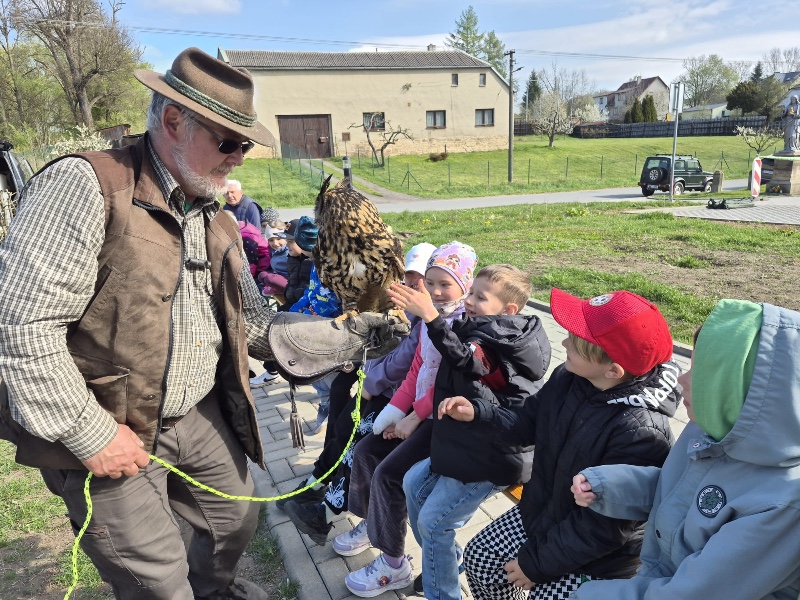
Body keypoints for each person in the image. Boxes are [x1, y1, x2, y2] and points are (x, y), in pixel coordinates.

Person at [0, 47, 401, 600]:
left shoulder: (214, 217)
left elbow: (254, 323)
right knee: (156, 579)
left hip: (196, 412)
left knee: (233, 523)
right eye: (229, 143)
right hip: (109, 418)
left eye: (246, 145)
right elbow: (22, 328)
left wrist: (348, 336)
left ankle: (214, 592)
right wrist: (91, 435)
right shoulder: (86, 186)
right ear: (172, 121)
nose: (239, 159)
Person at [439, 289, 680, 600]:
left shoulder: (641, 432)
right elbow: (528, 421)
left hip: (597, 557)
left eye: (576, 343)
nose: (564, 344)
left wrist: (535, 565)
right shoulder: (570, 376)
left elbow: (603, 529)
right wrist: (479, 413)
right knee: (481, 558)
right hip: (546, 509)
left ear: (613, 370)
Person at [570, 299, 800, 600]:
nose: (681, 379)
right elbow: (680, 492)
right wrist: (609, 486)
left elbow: (695, 593)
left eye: (700, 371)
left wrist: (587, 595)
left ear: (745, 393)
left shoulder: (783, 505)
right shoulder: (710, 430)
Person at [397, 264, 552, 600]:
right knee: (412, 484)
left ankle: (443, 592)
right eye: (470, 292)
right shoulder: (484, 327)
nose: (469, 301)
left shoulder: (500, 340)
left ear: (508, 310)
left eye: (480, 297)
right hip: (465, 444)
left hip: (493, 454)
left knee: (434, 523)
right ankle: (446, 559)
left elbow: (469, 361)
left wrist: (431, 318)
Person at [340, 242, 479, 597]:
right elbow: (418, 368)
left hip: (442, 418)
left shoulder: (464, 323)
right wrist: (394, 411)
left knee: (389, 475)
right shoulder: (429, 318)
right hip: (419, 413)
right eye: (430, 282)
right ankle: (374, 526)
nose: (435, 291)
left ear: (465, 285)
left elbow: (450, 381)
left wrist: (414, 417)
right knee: (366, 450)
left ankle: (393, 562)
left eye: (445, 284)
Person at [277, 242, 437, 527]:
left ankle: (327, 502)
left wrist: (370, 384)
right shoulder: (399, 299)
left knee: (354, 442)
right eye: (409, 274)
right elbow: (376, 336)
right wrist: (358, 363)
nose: (413, 281)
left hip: (392, 394)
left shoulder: (426, 315)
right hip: (376, 383)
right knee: (341, 425)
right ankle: (317, 483)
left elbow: (405, 359)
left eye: (421, 276)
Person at [282, 216, 315, 309]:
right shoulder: (292, 259)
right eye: (286, 241)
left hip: (308, 307)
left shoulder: (313, 263)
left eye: (291, 241)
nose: (287, 245)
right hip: (292, 302)